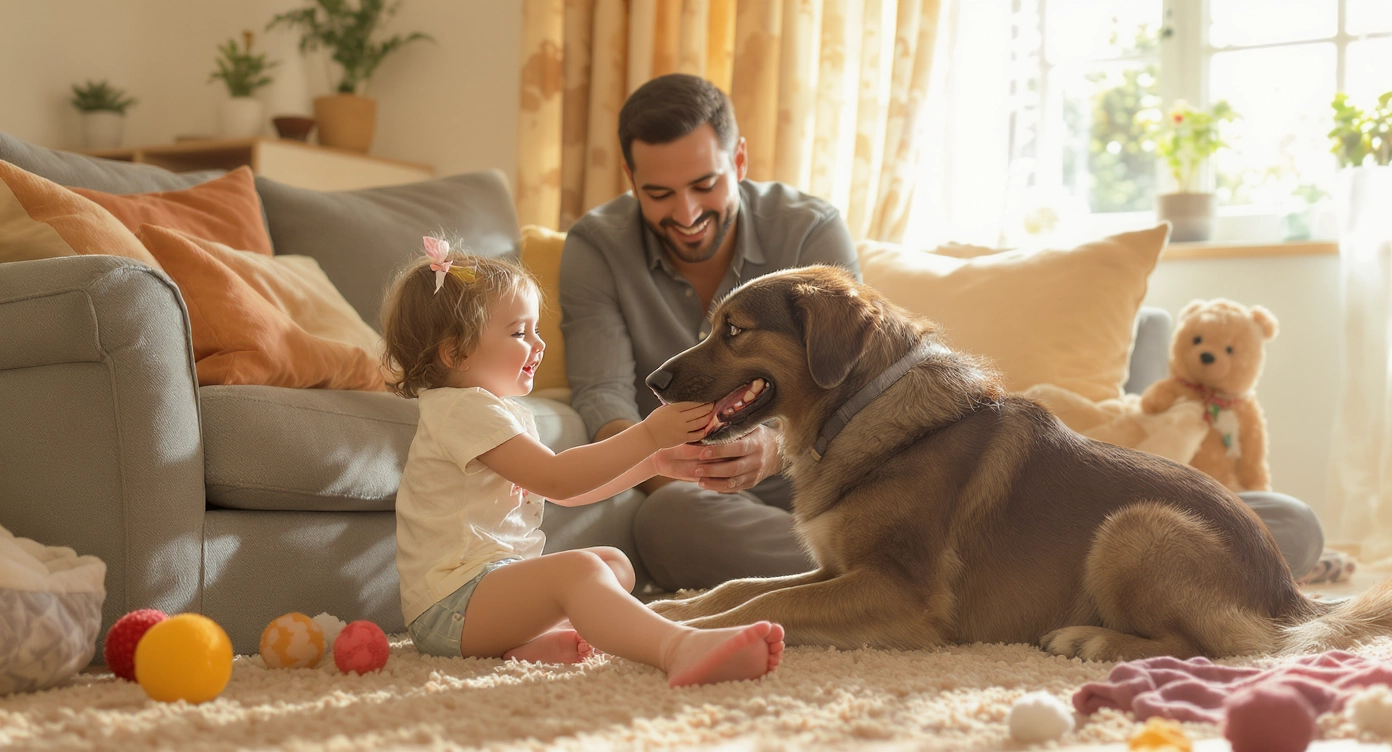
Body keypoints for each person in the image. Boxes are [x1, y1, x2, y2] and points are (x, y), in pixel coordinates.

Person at [560, 73, 1326, 593]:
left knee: (1282, 523)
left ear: (740, 159)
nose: (686, 214)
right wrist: (667, 470)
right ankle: (950, 582)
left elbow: (847, 377)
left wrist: (765, 447)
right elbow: (600, 390)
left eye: (705, 185)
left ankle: (922, 579)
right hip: (706, 496)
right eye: (659, 194)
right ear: (630, 180)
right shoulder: (596, 247)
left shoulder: (807, 227)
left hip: (848, 477)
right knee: (667, 524)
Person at [381, 240, 784, 687]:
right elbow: (560, 480)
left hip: (480, 596)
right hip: (450, 608)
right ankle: (677, 648)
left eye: (536, 329)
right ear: (454, 354)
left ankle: (521, 646)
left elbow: (569, 491)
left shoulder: (492, 412)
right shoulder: (463, 411)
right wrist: (648, 434)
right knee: (582, 573)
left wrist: (655, 463)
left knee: (613, 565)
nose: (539, 343)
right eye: (519, 333)